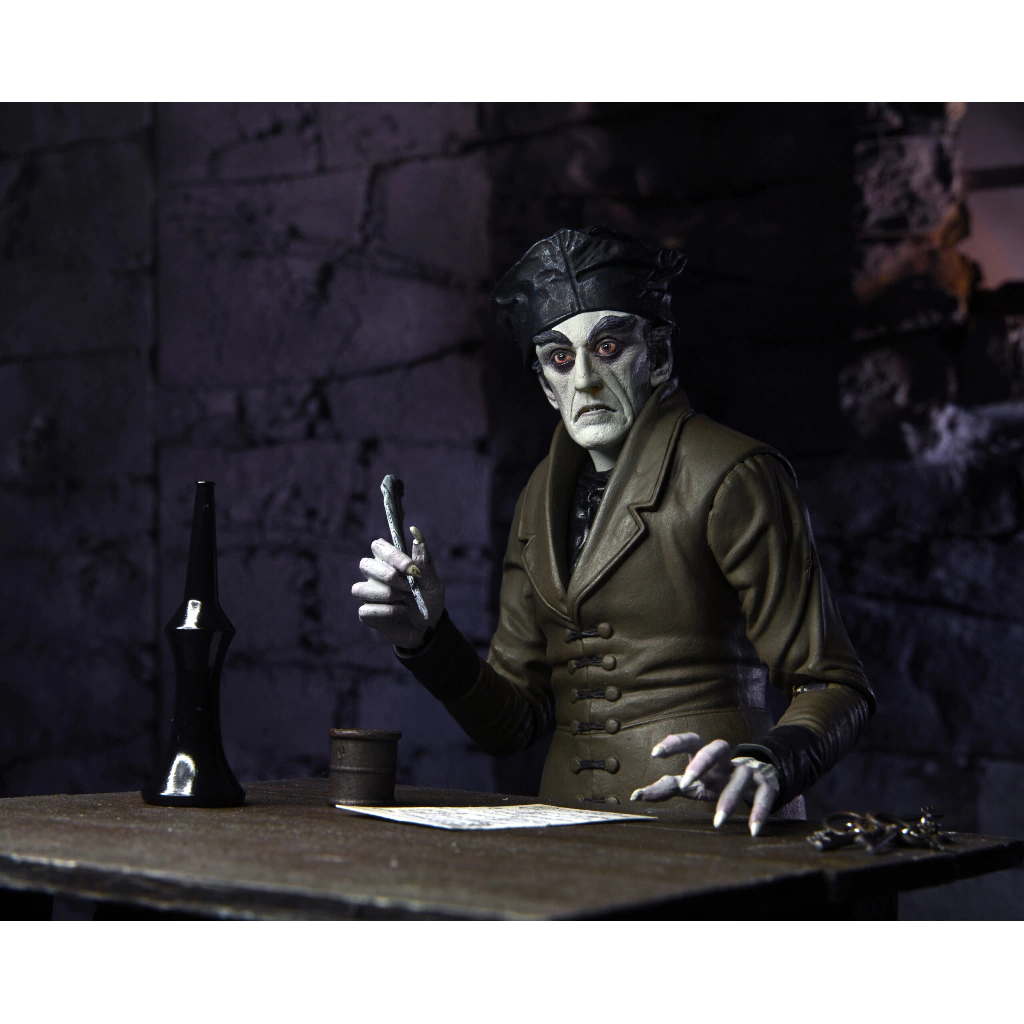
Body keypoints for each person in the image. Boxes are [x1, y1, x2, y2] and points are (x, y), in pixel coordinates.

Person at [352, 226, 874, 836]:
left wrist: (769, 761)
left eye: (607, 348)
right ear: (546, 386)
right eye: (560, 358)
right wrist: (427, 638)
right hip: (566, 833)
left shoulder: (734, 475)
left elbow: (834, 683)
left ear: (659, 355)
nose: (584, 381)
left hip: (708, 823)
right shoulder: (538, 499)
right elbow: (512, 724)